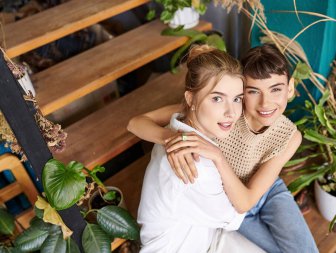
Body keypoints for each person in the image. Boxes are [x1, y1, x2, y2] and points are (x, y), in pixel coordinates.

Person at [128, 44, 318, 253]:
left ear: (290, 88)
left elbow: (251, 196)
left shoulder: (288, 135)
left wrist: (212, 153)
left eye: (276, 89)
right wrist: (174, 139)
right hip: (232, 199)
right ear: (243, 91)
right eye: (253, 91)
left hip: (264, 190)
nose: (266, 103)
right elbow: (136, 123)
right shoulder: (227, 112)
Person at [137, 45, 264, 253]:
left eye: (237, 99)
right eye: (217, 98)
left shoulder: (179, 126)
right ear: (190, 100)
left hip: (203, 235)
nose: (231, 112)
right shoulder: (195, 165)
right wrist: (219, 158)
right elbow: (234, 216)